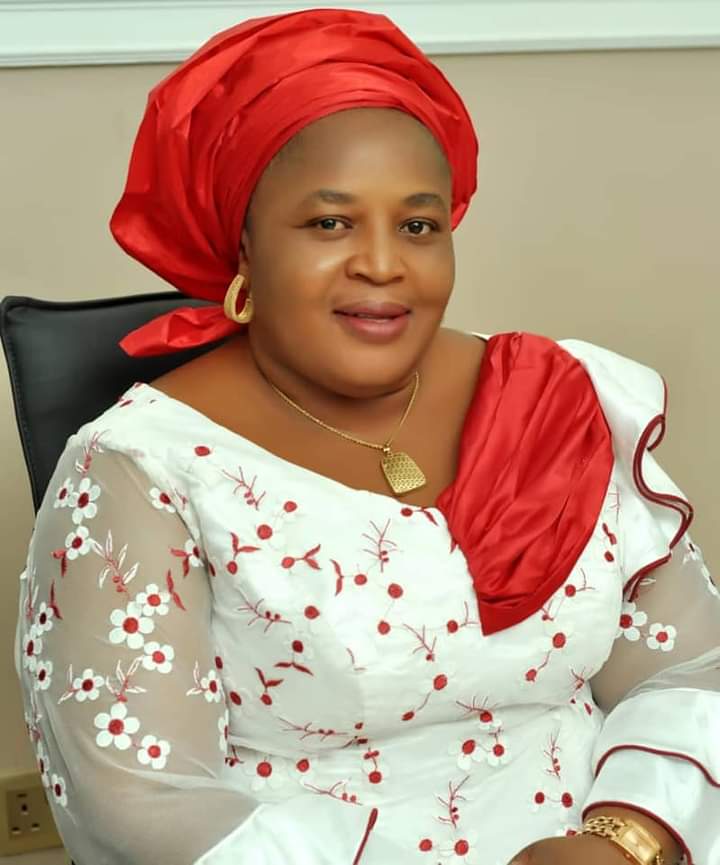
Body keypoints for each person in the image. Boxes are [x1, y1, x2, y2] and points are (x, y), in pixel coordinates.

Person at [14, 8, 720, 865]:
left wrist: (625, 837)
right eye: (330, 223)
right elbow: (146, 804)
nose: (384, 264)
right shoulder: (138, 471)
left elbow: (690, 670)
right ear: (243, 244)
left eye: (418, 225)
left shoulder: (551, 398)